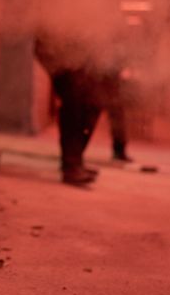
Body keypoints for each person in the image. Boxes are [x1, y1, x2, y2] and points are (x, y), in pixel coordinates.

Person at [35, 36, 133, 187]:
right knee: (76, 99)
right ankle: (71, 165)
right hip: (62, 49)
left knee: (92, 102)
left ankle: (75, 161)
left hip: (79, 53)